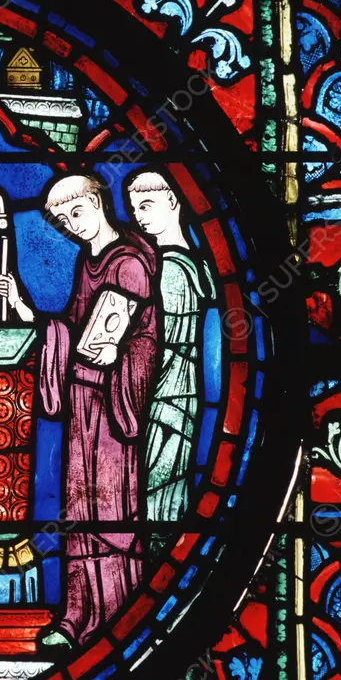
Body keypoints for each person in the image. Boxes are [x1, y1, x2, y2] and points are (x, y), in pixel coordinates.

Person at [0, 174, 158, 649]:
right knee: (79, 507)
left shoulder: (128, 265)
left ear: (99, 202)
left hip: (111, 406)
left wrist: (56, 338)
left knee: (106, 505)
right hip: (84, 402)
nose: (72, 225)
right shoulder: (90, 262)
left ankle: (116, 608)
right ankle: (77, 613)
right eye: (63, 221)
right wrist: (29, 312)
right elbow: (72, 328)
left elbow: (100, 346)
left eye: (77, 213)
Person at [128, 170, 213, 553]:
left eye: (147, 205)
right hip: (182, 390)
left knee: (158, 490)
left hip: (166, 393)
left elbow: (159, 344)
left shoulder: (169, 271)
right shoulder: (195, 266)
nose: (139, 216)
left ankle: (159, 563)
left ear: (174, 202)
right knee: (167, 484)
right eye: (133, 208)